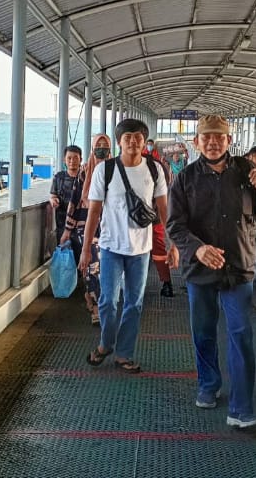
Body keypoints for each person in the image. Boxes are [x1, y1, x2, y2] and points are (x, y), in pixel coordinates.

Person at [168, 114, 256, 429]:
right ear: (196, 142)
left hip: (238, 266)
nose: (213, 142)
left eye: (219, 137)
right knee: (203, 331)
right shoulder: (185, 179)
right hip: (200, 268)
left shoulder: (246, 171)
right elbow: (175, 225)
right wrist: (198, 249)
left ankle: (242, 409)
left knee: (241, 334)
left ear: (229, 140)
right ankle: (208, 383)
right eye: (207, 137)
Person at [80, 119, 177, 373]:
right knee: (108, 302)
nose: (133, 141)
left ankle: (123, 354)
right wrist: (86, 249)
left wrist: (172, 243)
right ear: (119, 142)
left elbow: (164, 209)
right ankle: (106, 344)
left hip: (141, 250)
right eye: (127, 137)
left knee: (134, 304)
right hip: (111, 247)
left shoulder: (154, 169)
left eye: (138, 137)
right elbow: (94, 211)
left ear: (144, 142)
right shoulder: (105, 170)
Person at [60, 135, 111, 325]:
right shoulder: (84, 173)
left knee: (103, 268)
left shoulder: (115, 170)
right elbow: (74, 201)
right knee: (92, 265)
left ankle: (91, 296)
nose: (101, 148)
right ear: (92, 147)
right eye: (98, 145)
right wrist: (68, 229)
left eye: (105, 145)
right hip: (85, 226)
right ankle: (97, 309)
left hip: (108, 226)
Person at [142, 141, 174, 297]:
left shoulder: (155, 166)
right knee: (159, 250)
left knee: (145, 252)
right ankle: (166, 283)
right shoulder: (159, 166)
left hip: (144, 218)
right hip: (155, 217)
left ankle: (138, 286)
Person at [50, 145, 83, 267]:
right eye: (69, 158)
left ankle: (81, 278)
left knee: (80, 257)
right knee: (65, 258)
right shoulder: (59, 177)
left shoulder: (85, 178)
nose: (72, 161)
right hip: (62, 224)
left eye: (75, 158)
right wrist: (53, 200)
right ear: (64, 159)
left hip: (80, 225)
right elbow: (53, 195)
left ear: (81, 159)